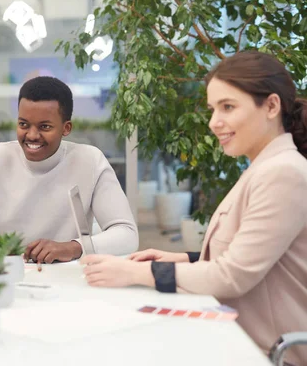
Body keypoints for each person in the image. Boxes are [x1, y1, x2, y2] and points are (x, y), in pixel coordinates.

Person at [81, 51, 307, 366]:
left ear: (271, 106)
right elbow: (251, 256)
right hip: (238, 340)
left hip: (267, 353)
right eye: (213, 109)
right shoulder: (265, 167)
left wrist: (138, 272)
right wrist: (185, 258)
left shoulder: (284, 173)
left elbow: (231, 276)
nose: (215, 122)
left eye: (228, 107)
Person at [0, 76, 138, 263]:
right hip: (7, 273)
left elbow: (127, 234)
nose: (32, 135)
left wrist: (73, 247)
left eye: (45, 127)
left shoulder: (90, 161)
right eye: (23, 124)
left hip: (70, 277)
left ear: (66, 128)